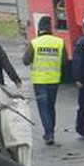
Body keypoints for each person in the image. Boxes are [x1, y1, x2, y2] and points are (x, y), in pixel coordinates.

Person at [23, 17, 65, 145]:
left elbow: (26, 61)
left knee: (43, 107)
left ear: (39, 29)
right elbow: (64, 61)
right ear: (50, 28)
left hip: (40, 81)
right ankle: (50, 130)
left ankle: (49, 133)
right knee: (51, 107)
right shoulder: (59, 42)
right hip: (54, 80)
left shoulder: (35, 43)